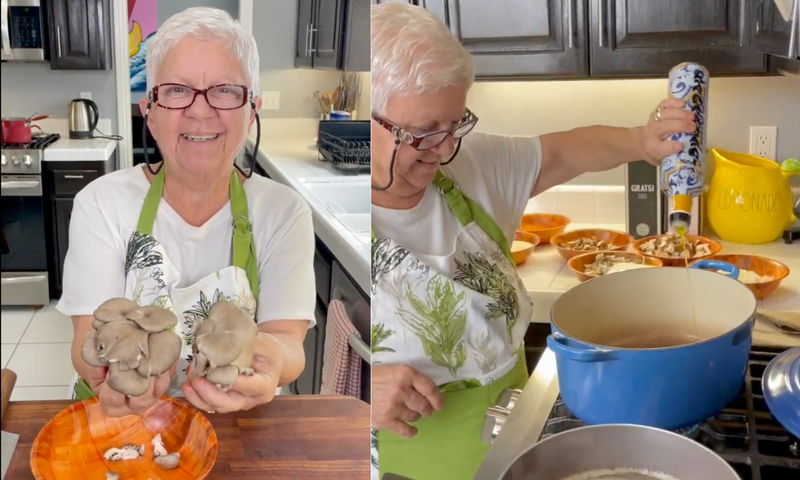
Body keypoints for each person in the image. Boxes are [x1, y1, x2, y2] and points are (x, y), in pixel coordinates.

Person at [369, 3, 698, 480]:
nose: (443, 151)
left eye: (454, 126)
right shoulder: (334, 215)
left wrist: (641, 142)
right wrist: (362, 389)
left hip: (515, 448)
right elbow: (289, 342)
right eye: (422, 133)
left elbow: (564, 151)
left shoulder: (470, 166)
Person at [58, 7, 315, 417]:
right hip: (122, 424)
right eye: (177, 90)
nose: (200, 110)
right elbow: (89, 337)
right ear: (151, 111)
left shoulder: (284, 213)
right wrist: (111, 378)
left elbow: (287, 340)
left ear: (252, 111)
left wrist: (271, 360)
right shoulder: (101, 203)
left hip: (239, 425)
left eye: (226, 90)